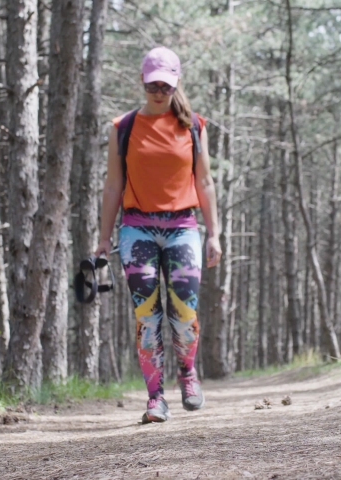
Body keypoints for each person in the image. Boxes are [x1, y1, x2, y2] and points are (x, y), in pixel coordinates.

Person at [94, 46, 222, 424]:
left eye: (166, 85)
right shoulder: (123, 127)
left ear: (175, 83)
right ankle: (155, 399)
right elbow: (112, 185)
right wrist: (103, 239)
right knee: (147, 317)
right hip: (137, 229)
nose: (159, 91)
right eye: (153, 84)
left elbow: (205, 181)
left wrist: (214, 233)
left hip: (183, 227)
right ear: (142, 80)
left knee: (183, 312)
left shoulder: (194, 126)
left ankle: (188, 374)